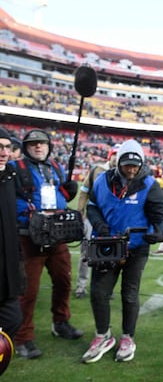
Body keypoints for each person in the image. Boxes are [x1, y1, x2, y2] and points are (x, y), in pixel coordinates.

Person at [82, 139, 163, 363]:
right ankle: (103, 335)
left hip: (136, 248)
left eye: (134, 165)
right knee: (98, 292)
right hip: (106, 245)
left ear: (141, 164)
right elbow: (92, 206)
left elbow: (160, 216)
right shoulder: (102, 180)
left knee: (129, 294)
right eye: (126, 164)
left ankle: (127, 337)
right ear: (118, 162)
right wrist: (100, 226)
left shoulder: (150, 184)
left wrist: (160, 233)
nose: (130, 169)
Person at [10, 129, 82, 359]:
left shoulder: (57, 167)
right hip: (30, 237)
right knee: (28, 290)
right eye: (33, 144)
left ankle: (60, 322)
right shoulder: (16, 168)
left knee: (63, 280)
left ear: (49, 145)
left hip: (57, 234)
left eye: (42, 143)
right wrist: (30, 216)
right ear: (25, 147)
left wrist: (67, 194)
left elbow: (58, 197)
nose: (38, 147)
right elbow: (11, 200)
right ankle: (22, 338)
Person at [74, 144, 121, 298]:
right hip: (92, 218)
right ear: (110, 155)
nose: (117, 157)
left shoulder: (124, 173)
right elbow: (84, 192)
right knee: (86, 253)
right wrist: (80, 212)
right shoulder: (97, 170)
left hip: (112, 221)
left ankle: (107, 288)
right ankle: (81, 286)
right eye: (115, 154)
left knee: (112, 254)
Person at [0, 127, 23, 342]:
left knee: (13, 319)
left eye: (7, 147)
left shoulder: (9, 177)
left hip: (7, 269)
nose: (4, 152)